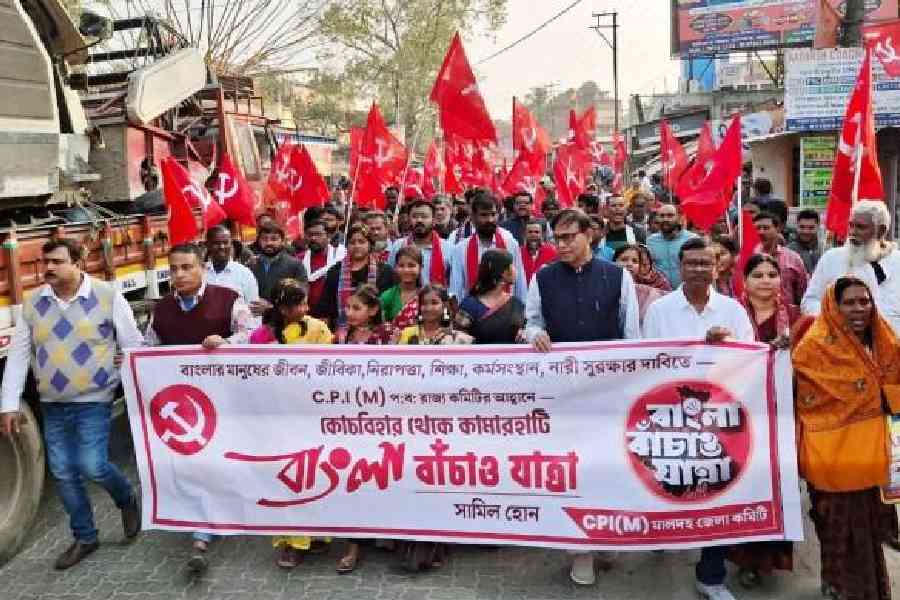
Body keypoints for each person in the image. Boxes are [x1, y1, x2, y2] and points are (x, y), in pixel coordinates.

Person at [0, 239, 143, 570]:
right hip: (52, 403)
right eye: (45, 261)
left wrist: (128, 367)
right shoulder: (33, 304)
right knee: (63, 472)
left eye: (57, 261)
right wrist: (8, 405)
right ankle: (85, 537)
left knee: (92, 465)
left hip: (94, 399)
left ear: (78, 261)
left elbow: (133, 344)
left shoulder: (108, 296)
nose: (48, 267)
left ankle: (126, 498)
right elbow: (18, 357)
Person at [524, 209, 640, 586]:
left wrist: (626, 387)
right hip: (562, 394)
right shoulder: (543, 278)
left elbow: (631, 336)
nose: (561, 245)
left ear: (589, 235)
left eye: (569, 237)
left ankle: (605, 534)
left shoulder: (618, 276)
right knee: (571, 470)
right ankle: (579, 550)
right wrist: (534, 335)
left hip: (607, 393)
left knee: (606, 467)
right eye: (556, 238)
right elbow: (531, 322)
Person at [642, 237, 753, 600]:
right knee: (667, 483)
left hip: (718, 417)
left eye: (705, 263)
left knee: (715, 491)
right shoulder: (660, 311)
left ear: (717, 268)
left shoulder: (733, 311)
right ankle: (663, 535)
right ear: (680, 267)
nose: (698, 270)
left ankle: (711, 575)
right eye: (691, 263)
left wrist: (725, 347)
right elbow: (648, 362)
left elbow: (751, 359)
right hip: (671, 417)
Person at [145, 243, 253, 572]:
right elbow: (148, 348)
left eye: (187, 267)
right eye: (173, 269)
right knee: (194, 463)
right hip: (184, 404)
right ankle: (203, 525)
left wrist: (227, 343)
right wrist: (131, 360)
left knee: (215, 460)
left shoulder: (229, 299)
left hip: (225, 400)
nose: (179, 275)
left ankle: (203, 531)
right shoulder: (162, 309)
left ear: (202, 268)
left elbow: (252, 334)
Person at [793, 277, 900, 600]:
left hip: (872, 455)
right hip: (831, 459)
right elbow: (799, 398)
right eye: (849, 302)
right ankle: (838, 586)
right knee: (837, 529)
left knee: (866, 535)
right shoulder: (813, 348)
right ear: (833, 306)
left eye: (864, 301)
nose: (858, 309)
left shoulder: (885, 341)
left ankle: (862, 590)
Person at [247, 279, 333, 568]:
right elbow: (252, 374)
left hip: (312, 415)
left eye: (307, 303)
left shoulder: (319, 329)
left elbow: (332, 367)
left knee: (315, 476)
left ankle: (317, 535)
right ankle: (293, 542)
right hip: (278, 418)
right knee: (287, 477)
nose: (306, 308)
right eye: (300, 304)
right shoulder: (261, 336)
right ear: (283, 309)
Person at [726, 254, 799, 587]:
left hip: (783, 413)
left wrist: (791, 351)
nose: (766, 280)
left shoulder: (795, 318)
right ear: (745, 280)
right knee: (744, 484)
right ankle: (745, 560)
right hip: (742, 416)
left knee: (778, 486)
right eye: (758, 275)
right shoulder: (732, 315)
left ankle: (771, 559)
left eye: (772, 274)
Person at [335, 284, 394, 573]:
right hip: (348, 417)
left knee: (379, 475)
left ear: (372, 310)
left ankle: (384, 531)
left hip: (377, 418)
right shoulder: (342, 335)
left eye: (356, 308)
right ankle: (354, 544)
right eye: (348, 307)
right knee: (354, 478)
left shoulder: (385, 336)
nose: (350, 312)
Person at [802, 200, 900, 333]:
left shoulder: (897, 261)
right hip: (840, 341)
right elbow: (809, 302)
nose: (853, 232)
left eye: (860, 227)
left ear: (881, 230)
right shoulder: (831, 258)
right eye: (851, 225)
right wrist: (837, 318)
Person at [317, 223, 395, 336]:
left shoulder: (384, 271)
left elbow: (388, 306)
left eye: (361, 242)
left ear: (370, 244)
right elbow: (325, 309)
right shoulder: (335, 271)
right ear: (347, 246)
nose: (357, 246)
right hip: (341, 333)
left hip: (376, 333)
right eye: (352, 242)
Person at [449, 191, 527, 303]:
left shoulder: (510, 243)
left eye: (493, 214)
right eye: (484, 215)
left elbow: (520, 283)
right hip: (474, 311)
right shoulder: (461, 249)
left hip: (506, 310)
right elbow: (456, 289)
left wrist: (521, 309)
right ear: (473, 217)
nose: (490, 220)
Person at [455, 249, 526, 344]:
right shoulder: (469, 306)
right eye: (512, 265)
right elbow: (458, 342)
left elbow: (526, 330)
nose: (515, 270)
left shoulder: (516, 304)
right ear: (503, 272)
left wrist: (524, 334)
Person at [387, 199, 452, 287]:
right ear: (409, 220)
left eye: (424, 216)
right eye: (415, 216)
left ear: (434, 220)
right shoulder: (398, 246)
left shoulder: (448, 248)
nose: (419, 220)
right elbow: (391, 277)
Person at [249, 222, 308, 315]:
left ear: (283, 241)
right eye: (264, 239)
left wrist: (270, 308)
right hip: (254, 318)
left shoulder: (295, 265)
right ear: (258, 241)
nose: (269, 243)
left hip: (284, 319)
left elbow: (301, 296)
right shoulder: (251, 265)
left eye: (274, 239)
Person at [752, 212, 808, 305]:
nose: (761, 232)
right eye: (757, 228)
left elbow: (803, 293)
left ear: (777, 229)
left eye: (766, 228)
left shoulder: (793, 259)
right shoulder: (747, 258)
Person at [297, 219, 346, 318]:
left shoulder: (340, 257)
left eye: (318, 234)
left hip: (332, 314)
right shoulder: (298, 259)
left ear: (328, 236)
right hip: (304, 313)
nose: (313, 238)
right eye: (310, 235)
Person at [399, 284, 473, 345]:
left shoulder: (456, 337)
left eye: (434, 303)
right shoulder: (407, 334)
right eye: (424, 303)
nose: (428, 308)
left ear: (444, 305)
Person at [646, 203, 696, 289]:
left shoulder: (692, 239)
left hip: (686, 291)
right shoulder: (651, 241)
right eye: (662, 216)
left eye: (670, 215)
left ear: (679, 218)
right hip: (660, 292)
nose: (665, 219)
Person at [204, 225, 259, 302]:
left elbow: (253, 304)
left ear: (231, 244)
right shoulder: (200, 272)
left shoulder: (244, 273)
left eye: (226, 242)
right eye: (216, 243)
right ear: (208, 245)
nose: (222, 246)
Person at [614, 244, 665, 325]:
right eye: (624, 260)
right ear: (614, 262)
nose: (629, 264)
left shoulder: (648, 293)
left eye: (635, 261)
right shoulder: (605, 288)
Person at [380, 246, 423, 332]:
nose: (406, 270)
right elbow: (381, 327)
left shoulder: (427, 295)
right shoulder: (387, 297)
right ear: (395, 268)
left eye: (411, 266)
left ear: (420, 268)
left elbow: (443, 317)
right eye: (401, 266)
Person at [521, 219, 558, 285]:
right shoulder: (519, 253)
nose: (533, 235)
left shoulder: (552, 252)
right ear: (524, 234)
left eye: (536, 232)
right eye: (530, 232)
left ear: (542, 235)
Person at [787, 209, 823, 274]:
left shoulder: (824, 249)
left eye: (811, 227)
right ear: (796, 226)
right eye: (802, 227)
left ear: (818, 227)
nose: (806, 231)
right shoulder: (788, 251)